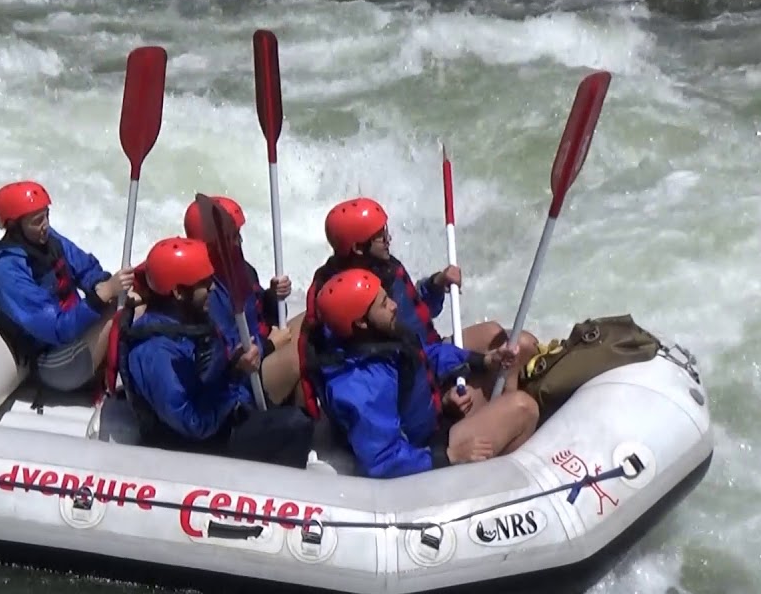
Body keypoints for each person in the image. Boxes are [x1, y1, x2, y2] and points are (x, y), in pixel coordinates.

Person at [303, 197, 538, 407]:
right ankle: (506, 416)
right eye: (380, 236)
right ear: (358, 248)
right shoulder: (348, 301)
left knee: (514, 340)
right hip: (416, 378)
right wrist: (476, 365)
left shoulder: (385, 266)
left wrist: (436, 283)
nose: (388, 239)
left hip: (430, 352)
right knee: (514, 359)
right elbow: (398, 357)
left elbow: (416, 312)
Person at [311, 268, 539, 479]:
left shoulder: (375, 339)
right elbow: (382, 461)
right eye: (383, 304)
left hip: (432, 425)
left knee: (509, 366)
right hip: (422, 455)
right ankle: (496, 488)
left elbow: (425, 355)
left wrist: (483, 360)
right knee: (523, 408)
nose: (394, 305)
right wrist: (448, 456)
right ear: (361, 322)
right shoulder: (362, 388)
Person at [116, 237, 313, 468]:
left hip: (217, 408)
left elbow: (212, 369)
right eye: (204, 282)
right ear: (179, 292)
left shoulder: (187, 319)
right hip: (194, 444)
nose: (211, 287)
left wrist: (236, 366)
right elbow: (194, 424)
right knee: (296, 425)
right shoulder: (155, 353)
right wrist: (235, 376)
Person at [0, 181, 133, 393]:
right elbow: (56, 329)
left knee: (134, 296)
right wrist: (101, 297)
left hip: (76, 334)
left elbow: (86, 268)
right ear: (14, 226)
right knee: (120, 310)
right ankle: (115, 385)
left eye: (47, 215)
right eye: (37, 221)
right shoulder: (6, 271)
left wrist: (100, 283)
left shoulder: (47, 239)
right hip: (52, 362)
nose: (46, 225)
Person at [182, 195, 302, 405]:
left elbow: (264, 316)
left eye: (238, 234)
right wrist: (270, 345)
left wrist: (273, 297)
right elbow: (226, 357)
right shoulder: (204, 291)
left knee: (311, 323)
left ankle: (303, 410)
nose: (239, 241)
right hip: (241, 380)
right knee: (299, 356)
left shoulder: (243, 270)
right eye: (233, 235)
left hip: (263, 351)